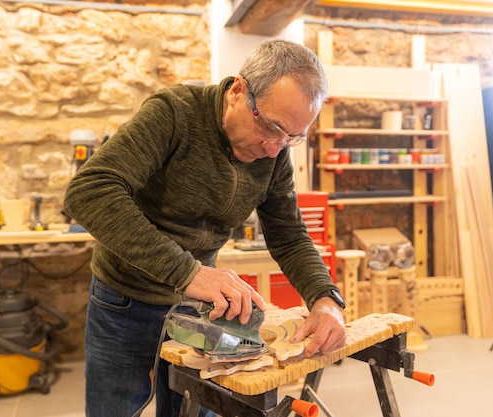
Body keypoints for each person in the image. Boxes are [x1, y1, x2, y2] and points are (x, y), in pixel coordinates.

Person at [63, 39, 347, 417]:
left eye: (292, 137)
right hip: (126, 300)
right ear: (237, 92)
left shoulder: (274, 152)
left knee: (197, 409)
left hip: (200, 309)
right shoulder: (174, 114)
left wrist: (326, 298)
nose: (275, 148)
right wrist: (188, 272)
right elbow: (89, 191)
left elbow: (289, 234)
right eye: (273, 128)